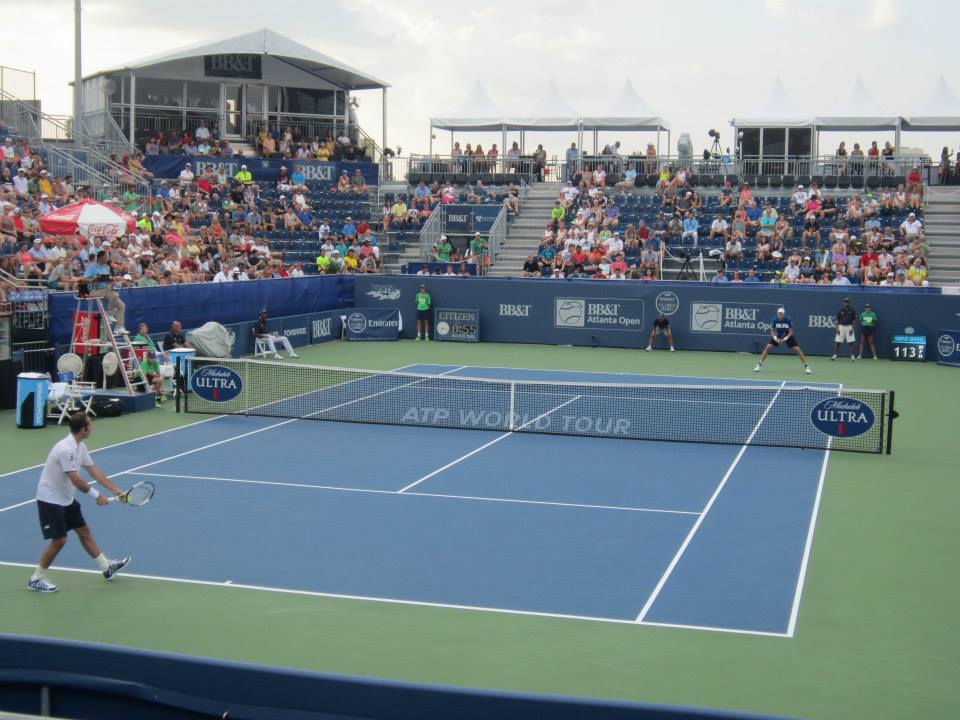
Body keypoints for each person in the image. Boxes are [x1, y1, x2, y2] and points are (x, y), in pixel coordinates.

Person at [28, 413, 130, 593]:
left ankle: (106, 567)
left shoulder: (79, 446)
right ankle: (36, 578)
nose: (92, 428)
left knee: (84, 531)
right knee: (59, 540)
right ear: (83, 429)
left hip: (65, 498)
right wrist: (97, 496)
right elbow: (76, 480)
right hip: (50, 499)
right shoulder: (66, 450)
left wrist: (116, 490)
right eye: (90, 425)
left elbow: (93, 471)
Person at [82, 250, 127, 335]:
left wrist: (114, 281)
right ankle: (109, 314)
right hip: (94, 290)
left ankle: (119, 327)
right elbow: (84, 280)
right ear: (101, 257)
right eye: (106, 257)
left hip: (105, 290)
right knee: (114, 295)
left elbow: (107, 279)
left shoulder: (106, 267)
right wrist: (97, 279)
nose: (108, 259)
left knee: (122, 305)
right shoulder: (91, 267)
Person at [754, 307, 812, 374]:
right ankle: (759, 364)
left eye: (781, 313)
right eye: (779, 313)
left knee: (797, 349)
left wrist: (784, 339)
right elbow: (772, 331)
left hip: (788, 335)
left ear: (784, 314)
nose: (780, 314)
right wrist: (775, 338)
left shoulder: (788, 320)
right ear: (777, 313)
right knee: (768, 347)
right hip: (778, 335)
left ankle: (806, 366)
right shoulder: (775, 320)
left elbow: (791, 332)